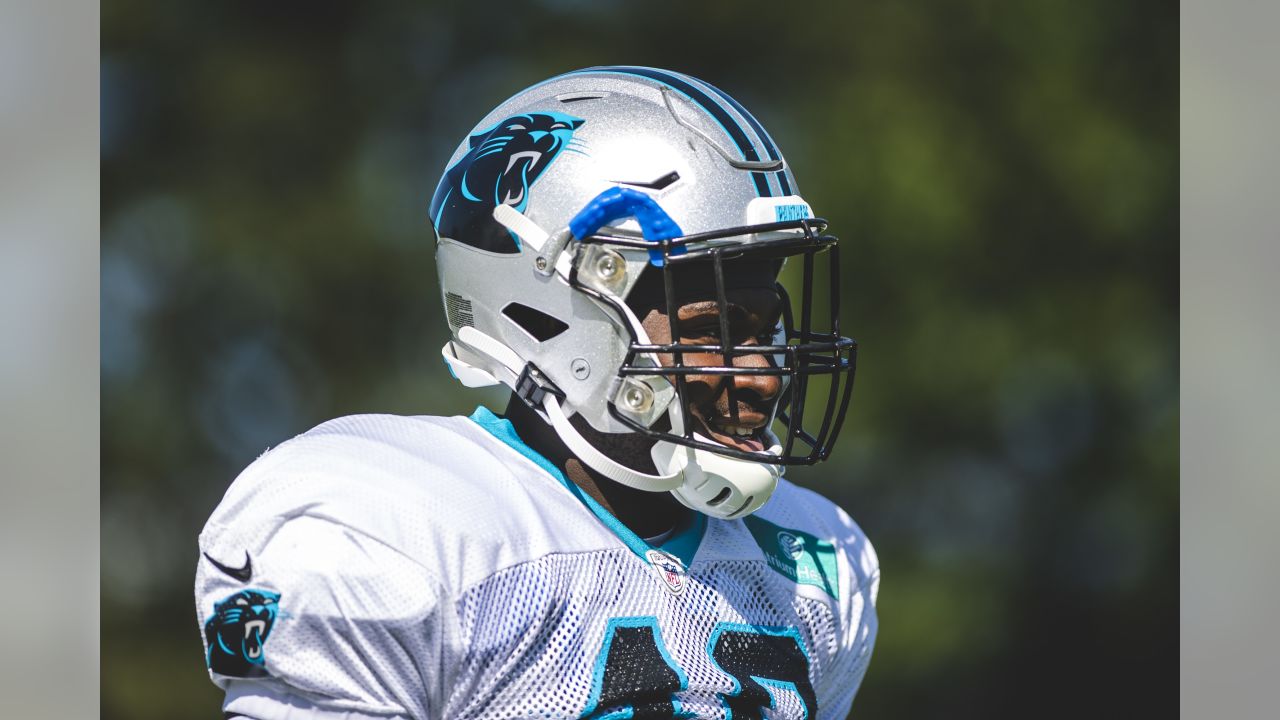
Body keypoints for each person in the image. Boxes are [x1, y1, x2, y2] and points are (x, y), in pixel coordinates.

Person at [195, 66, 879, 720]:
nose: (761, 377)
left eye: (770, 331)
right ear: (552, 313)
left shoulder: (814, 562)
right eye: (715, 332)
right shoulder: (396, 529)